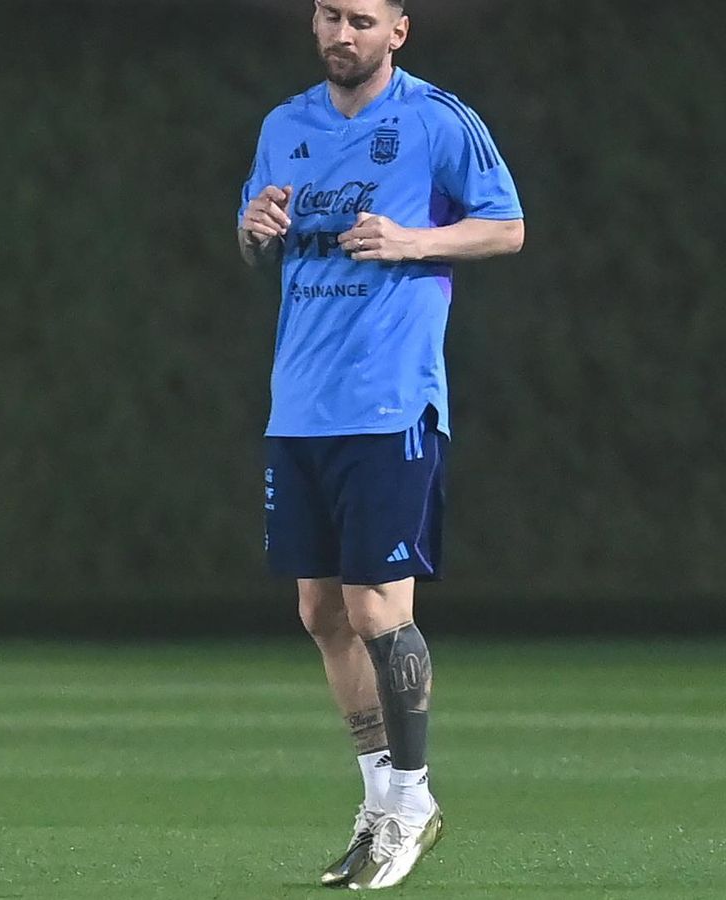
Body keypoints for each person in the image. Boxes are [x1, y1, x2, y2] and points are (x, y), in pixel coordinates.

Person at [236, 0, 524, 890]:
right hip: (301, 407)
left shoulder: (438, 120)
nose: (340, 34)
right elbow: (256, 243)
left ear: (398, 30)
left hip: (389, 403)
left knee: (374, 612)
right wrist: (254, 232)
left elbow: (507, 226)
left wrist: (413, 240)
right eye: (328, 16)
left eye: (360, 19)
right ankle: (383, 806)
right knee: (319, 613)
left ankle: (413, 798)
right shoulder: (285, 125)